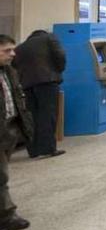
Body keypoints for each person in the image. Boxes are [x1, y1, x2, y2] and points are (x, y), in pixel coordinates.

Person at [12, 30, 66, 159]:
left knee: (31, 117)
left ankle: (33, 150)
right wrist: (58, 70)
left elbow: (14, 65)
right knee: (48, 114)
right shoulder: (49, 38)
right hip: (48, 81)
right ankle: (48, 149)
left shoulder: (20, 47)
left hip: (26, 85)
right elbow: (60, 56)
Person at [0, 35, 33, 230]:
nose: (13, 54)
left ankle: (5, 215)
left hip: (9, 129)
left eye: (13, 50)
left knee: (2, 174)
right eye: (7, 50)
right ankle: (7, 215)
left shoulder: (9, 72)